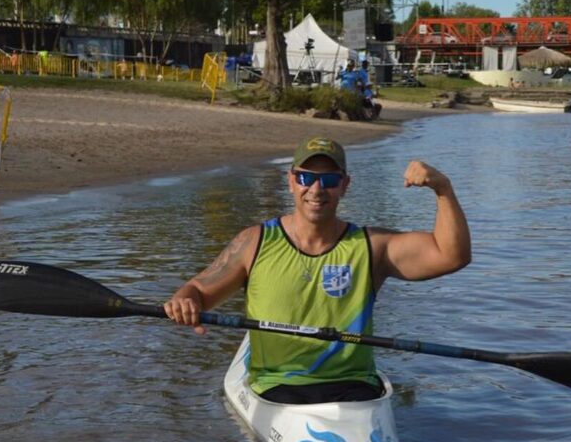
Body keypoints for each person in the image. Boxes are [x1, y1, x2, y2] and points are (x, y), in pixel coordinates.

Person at [165, 136, 471, 403]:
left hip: (355, 390)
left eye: (329, 180)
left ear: (345, 186)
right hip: (277, 387)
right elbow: (198, 291)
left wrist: (442, 189)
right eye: (305, 178)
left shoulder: (372, 246)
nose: (315, 189)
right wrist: (185, 302)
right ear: (290, 181)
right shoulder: (254, 241)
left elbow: (451, 255)